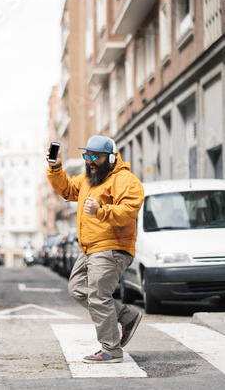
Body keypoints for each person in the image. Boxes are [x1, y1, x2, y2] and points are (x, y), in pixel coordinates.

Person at [46, 135, 144, 363]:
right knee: (78, 289)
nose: (90, 161)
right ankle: (126, 316)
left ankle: (111, 349)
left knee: (99, 296)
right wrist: (56, 167)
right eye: (87, 156)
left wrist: (101, 210)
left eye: (95, 157)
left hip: (112, 247)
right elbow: (67, 190)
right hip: (90, 248)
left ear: (110, 158)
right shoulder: (88, 179)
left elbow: (129, 211)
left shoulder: (125, 180)